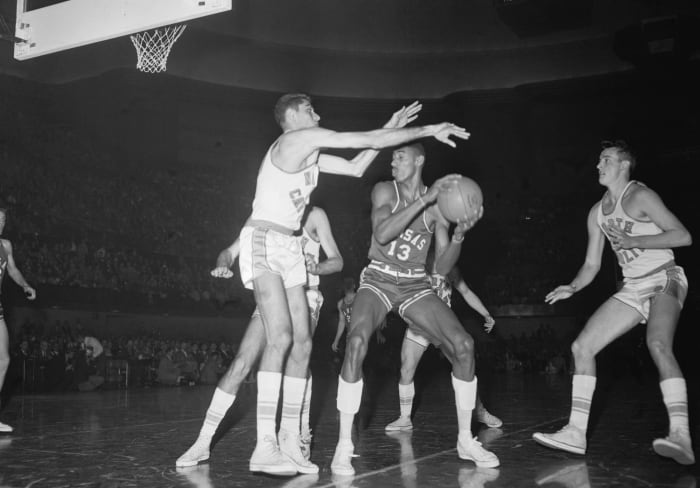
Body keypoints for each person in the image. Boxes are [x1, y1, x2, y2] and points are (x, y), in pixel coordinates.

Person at [231, 93, 470, 476]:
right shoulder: (296, 140)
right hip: (265, 238)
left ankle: (291, 441)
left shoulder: (310, 155)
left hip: (290, 244)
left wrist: (391, 126)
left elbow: (359, 166)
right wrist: (428, 128)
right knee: (280, 338)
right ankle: (265, 445)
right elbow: (365, 141)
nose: (318, 114)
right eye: (311, 110)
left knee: (303, 342)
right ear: (292, 115)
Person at [331, 143, 499, 477]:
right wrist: (424, 200)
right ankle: (342, 446)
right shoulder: (385, 190)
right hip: (378, 279)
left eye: (400, 156)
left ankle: (466, 439)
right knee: (357, 342)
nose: (392, 161)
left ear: (419, 161)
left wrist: (460, 235)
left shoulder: (438, 206)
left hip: (413, 284)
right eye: (392, 156)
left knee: (464, 345)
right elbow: (381, 232)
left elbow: (443, 267)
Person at [532, 140, 694, 465]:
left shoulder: (641, 196)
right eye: (598, 160)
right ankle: (576, 433)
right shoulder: (597, 212)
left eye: (605, 159)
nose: (598, 165)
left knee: (658, 344)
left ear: (624, 165)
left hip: (665, 277)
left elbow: (682, 235)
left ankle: (681, 435)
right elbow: (592, 264)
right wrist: (572, 286)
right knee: (582, 348)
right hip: (634, 286)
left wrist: (637, 240)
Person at [176, 205, 343, 471]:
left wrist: (318, 266)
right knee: (241, 362)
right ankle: (202, 442)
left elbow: (337, 260)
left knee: (296, 355)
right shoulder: (266, 211)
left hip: (306, 294)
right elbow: (230, 251)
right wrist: (222, 263)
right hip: (274, 295)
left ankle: (298, 435)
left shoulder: (315, 215)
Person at [385, 261, 502, 432]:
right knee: (406, 370)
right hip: (419, 323)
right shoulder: (416, 266)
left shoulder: (450, 268)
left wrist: (486, 314)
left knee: (463, 369)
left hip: (443, 324)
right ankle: (404, 418)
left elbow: (466, 292)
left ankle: (480, 411)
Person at [0, 207, 37, 433]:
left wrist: (25, 285)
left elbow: (12, 270)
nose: (1, 224)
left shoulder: (5, 246)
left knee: (3, 359)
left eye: (3, 220)